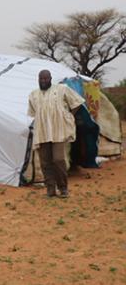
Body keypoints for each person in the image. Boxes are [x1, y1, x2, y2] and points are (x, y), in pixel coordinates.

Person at [27, 69, 85, 199]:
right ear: (38, 79)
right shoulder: (33, 95)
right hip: (42, 132)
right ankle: (50, 189)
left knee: (58, 159)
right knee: (45, 162)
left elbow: (78, 101)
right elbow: (32, 113)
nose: (43, 81)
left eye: (46, 78)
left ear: (50, 78)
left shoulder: (61, 89)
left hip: (58, 131)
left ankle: (63, 188)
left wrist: (69, 115)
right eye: (41, 79)